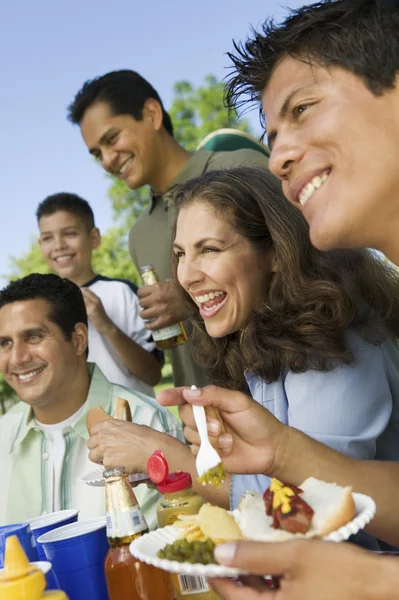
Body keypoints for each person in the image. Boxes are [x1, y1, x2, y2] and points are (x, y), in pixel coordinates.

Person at [158, 0, 399, 596]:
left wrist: (165, 458)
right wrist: (272, 452)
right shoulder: (255, 348)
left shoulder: (338, 332)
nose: (280, 156)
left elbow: (315, 522)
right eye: (181, 256)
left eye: (303, 109)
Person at [67, 69, 269, 388]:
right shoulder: (139, 235)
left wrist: (190, 296)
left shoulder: (241, 168)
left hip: (284, 405)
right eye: (96, 154)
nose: (106, 160)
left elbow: (313, 273)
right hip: (202, 422)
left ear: (151, 114)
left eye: (111, 138)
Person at [0, 274, 183, 528]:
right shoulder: (3, 434)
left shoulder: (148, 424)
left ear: (78, 340)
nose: (17, 358)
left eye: (33, 337)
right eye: (5, 343)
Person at [37, 192, 162, 397]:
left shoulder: (121, 292)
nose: (59, 245)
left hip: (133, 423)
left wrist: (107, 326)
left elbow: (153, 375)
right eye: (47, 237)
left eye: (69, 233)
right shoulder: (41, 308)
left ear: (94, 238)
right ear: (40, 245)